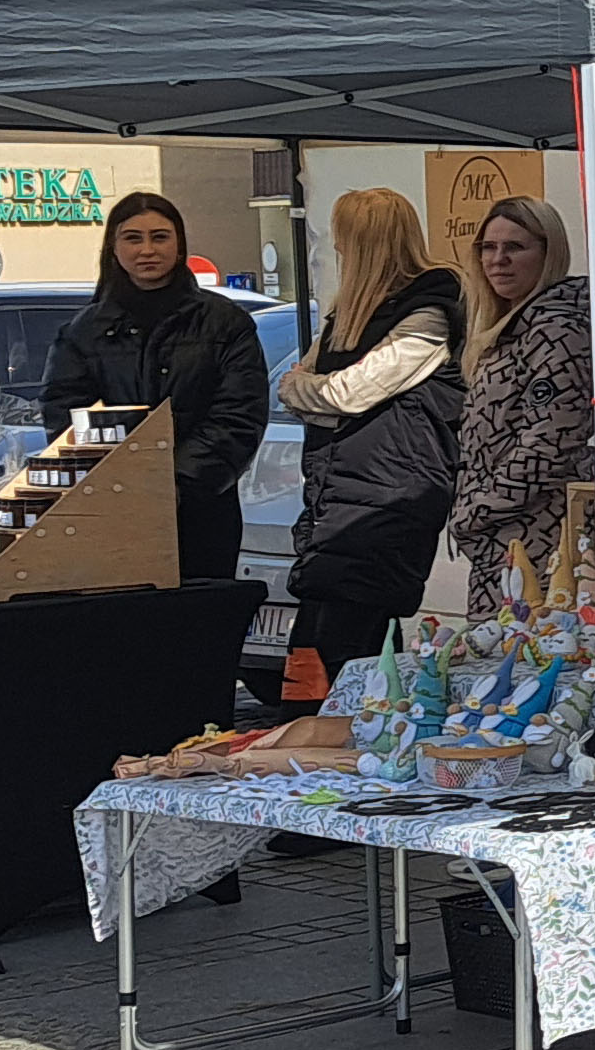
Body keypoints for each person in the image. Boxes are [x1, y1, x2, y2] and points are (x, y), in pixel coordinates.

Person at [275, 189, 468, 696]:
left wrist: (306, 390)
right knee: (324, 646)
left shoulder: (429, 314)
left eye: (340, 238)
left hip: (388, 500)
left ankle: (338, 734)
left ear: (361, 244)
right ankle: (322, 729)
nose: (334, 248)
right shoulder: (348, 314)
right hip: (341, 496)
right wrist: (310, 390)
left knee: (348, 645)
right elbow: (308, 385)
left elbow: (347, 392)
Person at [37, 191, 265, 586]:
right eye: (133, 238)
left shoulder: (225, 322)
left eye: (160, 237)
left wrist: (173, 482)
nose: (147, 250)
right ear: (113, 247)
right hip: (112, 510)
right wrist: (122, 482)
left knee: (201, 615)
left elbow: (239, 414)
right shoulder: (82, 331)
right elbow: (66, 415)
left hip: (201, 509)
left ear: (179, 245)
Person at [447, 194, 595, 587]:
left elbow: (551, 440)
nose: (498, 260)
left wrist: (476, 512)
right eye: (488, 247)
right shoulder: (512, 328)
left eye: (514, 247)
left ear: (548, 253)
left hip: (541, 539)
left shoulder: (556, 330)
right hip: (502, 540)